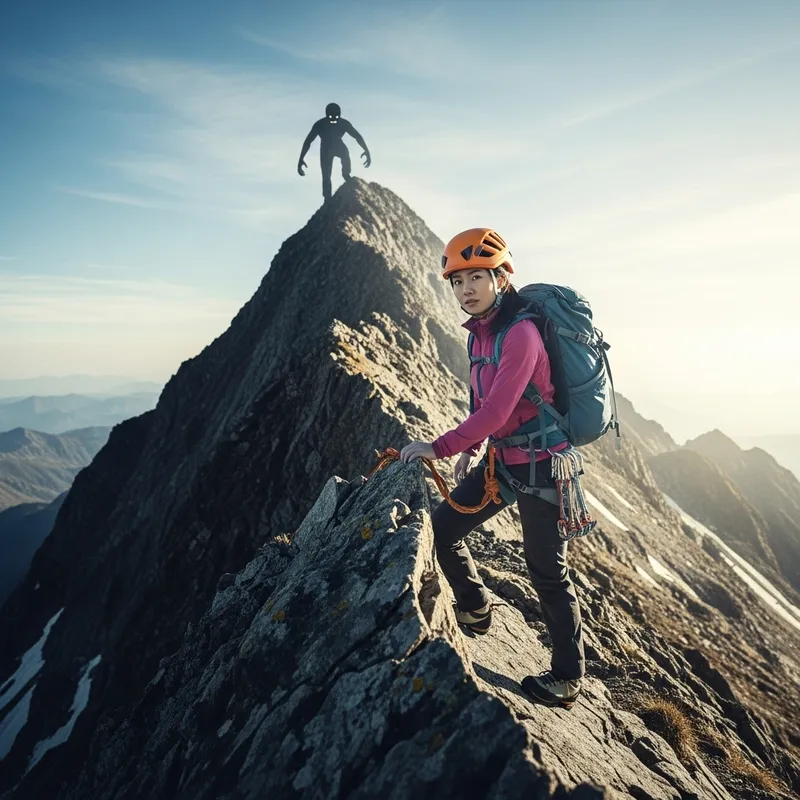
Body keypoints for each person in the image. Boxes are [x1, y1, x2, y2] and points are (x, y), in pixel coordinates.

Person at [400, 227, 585, 709]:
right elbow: (484, 402)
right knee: (441, 530)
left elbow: (497, 410)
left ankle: (568, 677)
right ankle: (477, 608)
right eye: (458, 281)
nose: (466, 290)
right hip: (503, 460)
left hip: (544, 466)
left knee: (547, 572)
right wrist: (470, 448)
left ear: (501, 277)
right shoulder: (480, 336)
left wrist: (438, 447)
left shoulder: (520, 334)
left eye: (477, 277)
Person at [297, 102, 371, 201]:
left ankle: (346, 174)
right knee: (326, 176)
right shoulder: (319, 124)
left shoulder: (343, 123)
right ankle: (327, 197)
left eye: (336, 117)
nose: (333, 120)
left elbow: (357, 136)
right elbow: (308, 141)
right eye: (331, 117)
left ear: (339, 115)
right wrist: (301, 159)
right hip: (326, 149)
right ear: (327, 115)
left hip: (339, 145)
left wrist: (366, 150)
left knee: (345, 156)